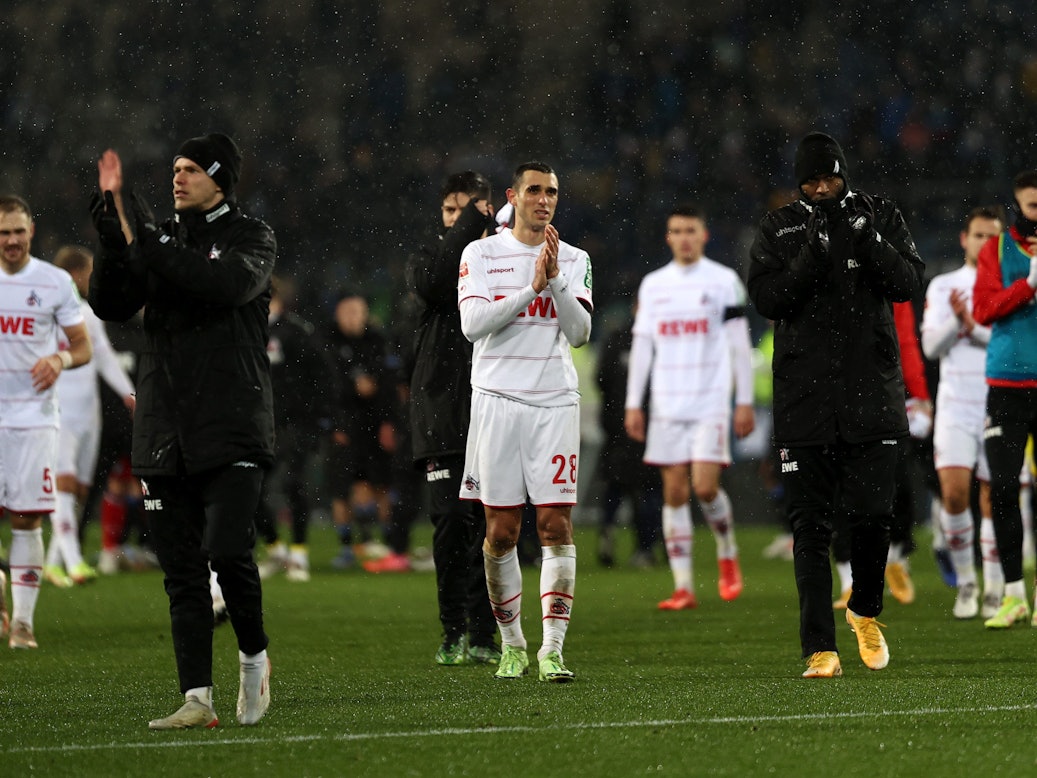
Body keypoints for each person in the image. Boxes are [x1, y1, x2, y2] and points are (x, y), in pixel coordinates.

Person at [88, 136, 275, 729]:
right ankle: (198, 698)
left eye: (192, 169)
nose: (178, 177)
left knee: (226, 551)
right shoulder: (161, 238)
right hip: (165, 423)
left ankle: (253, 659)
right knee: (182, 572)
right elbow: (111, 305)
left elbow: (221, 287)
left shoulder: (252, 238)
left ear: (221, 180)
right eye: (174, 169)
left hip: (232, 422)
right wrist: (114, 243)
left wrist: (145, 237)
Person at [747, 131, 924, 678]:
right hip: (805, 399)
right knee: (810, 528)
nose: (822, 188)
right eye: (811, 180)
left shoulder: (881, 214)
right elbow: (768, 299)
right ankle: (818, 647)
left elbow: (908, 283)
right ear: (798, 183)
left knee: (875, 517)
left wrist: (866, 238)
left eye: (830, 177)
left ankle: (865, 610)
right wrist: (810, 257)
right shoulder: (779, 229)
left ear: (845, 174)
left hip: (872, 393)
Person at [458, 161, 592, 682]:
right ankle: (512, 643)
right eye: (534, 190)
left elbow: (579, 333)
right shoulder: (482, 253)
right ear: (513, 196)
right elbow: (473, 326)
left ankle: (552, 650)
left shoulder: (574, 258)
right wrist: (529, 290)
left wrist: (554, 279)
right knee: (502, 531)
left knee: (556, 525)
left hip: (554, 402)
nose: (544, 199)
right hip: (496, 401)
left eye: (552, 192)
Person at [624, 205, 755, 610]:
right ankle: (683, 587)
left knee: (705, 487)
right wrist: (634, 403)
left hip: (710, 400)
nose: (683, 237)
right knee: (675, 493)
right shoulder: (653, 285)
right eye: (676, 230)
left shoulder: (724, 281)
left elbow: (739, 344)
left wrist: (744, 401)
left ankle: (726, 550)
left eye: (690, 230)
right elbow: (643, 346)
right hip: (666, 402)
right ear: (668, 237)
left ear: (704, 234)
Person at [406, 170, 500, 665]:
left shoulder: (504, 261)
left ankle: (486, 631)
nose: (457, 220)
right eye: (450, 211)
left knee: (491, 526)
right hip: (442, 409)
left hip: (493, 406)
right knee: (448, 522)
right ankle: (452, 629)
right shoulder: (427, 260)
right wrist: (470, 225)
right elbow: (442, 282)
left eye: (469, 209)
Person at [0, 195, 93, 648]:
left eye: (18, 231)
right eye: (3, 233)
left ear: (31, 231)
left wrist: (59, 358)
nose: (12, 240)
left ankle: (22, 623)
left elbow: (83, 347)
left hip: (34, 420)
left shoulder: (55, 283)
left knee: (26, 518)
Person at [921, 206, 1005, 619]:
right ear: (963, 239)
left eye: (993, 237)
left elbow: (1013, 348)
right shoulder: (942, 286)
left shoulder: (1013, 284)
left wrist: (972, 327)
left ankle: (992, 589)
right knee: (954, 496)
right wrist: (958, 323)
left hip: (999, 402)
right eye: (978, 235)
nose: (985, 243)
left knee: (996, 498)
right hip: (955, 404)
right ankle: (966, 583)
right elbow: (931, 348)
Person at [43, 245, 135, 588]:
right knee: (63, 484)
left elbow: (104, 357)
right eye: (87, 272)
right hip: (59, 406)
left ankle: (53, 563)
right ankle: (74, 560)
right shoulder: (46, 312)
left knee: (79, 490)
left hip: (89, 411)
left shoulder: (88, 313)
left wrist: (128, 392)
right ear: (75, 274)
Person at [972, 170, 1037, 629]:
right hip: (1007, 385)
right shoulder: (996, 249)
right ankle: (1014, 595)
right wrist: (1028, 285)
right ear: (1017, 205)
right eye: (1033, 206)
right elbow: (983, 309)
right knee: (1004, 487)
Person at [256, 276, 335, 583]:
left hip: (294, 423)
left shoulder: (296, 331)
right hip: (260, 424)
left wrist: (319, 416)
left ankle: (299, 553)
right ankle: (275, 549)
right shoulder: (247, 330)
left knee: (293, 484)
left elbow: (323, 374)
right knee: (251, 490)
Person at [326, 290, 398, 570]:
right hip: (343, 425)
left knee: (378, 483)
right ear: (338, 314)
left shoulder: (378, 341)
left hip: (374, 424)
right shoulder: (327, 342)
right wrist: (334, 422)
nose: (354, 317)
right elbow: (324, 385)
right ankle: (347, 547)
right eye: (348, 312)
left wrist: (388, 421)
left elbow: (390, 383)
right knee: (342, 487)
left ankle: (380, 543)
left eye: (358, 311)